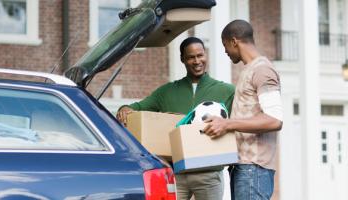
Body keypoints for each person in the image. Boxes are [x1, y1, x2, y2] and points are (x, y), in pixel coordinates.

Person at [116, 37, 235, 200]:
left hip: (209, 173)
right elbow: (137, 107)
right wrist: (124, 109)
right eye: (190, 57)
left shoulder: (227, 90)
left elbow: (240, 123)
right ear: (182, 59)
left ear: (205, 55)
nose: (196, 61)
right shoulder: (167, 91)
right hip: (175, 173)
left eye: (200, 55)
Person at [202, 19, 283, 200]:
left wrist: (227, 124)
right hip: (244, 169)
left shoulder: (263, 70)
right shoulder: (250, 69)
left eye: (225, 45)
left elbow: (274, 119)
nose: (225, 51)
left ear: (234, 41)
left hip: (253, 170)